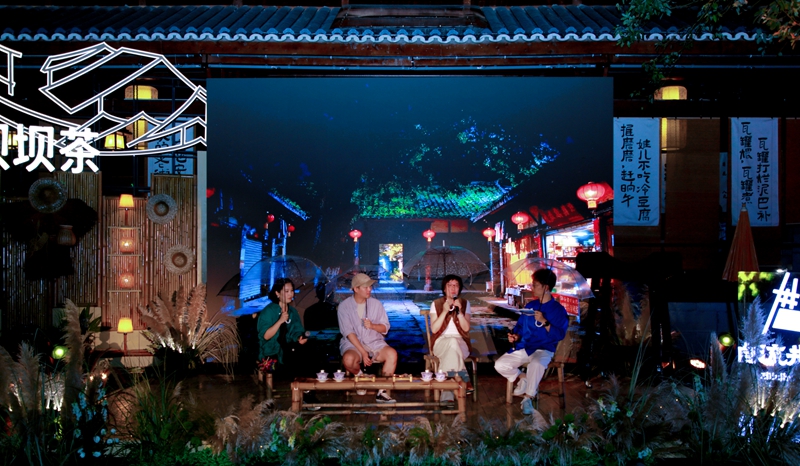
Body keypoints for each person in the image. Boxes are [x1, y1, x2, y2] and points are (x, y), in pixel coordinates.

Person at [494, 269, 569, 415]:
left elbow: (559, 334)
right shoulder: (530, 306)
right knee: (500, 364)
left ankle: (528, 398)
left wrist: (544, 321)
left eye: (535, 285)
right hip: (526, 347)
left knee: (536, 364)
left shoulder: (558, 310)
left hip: (545, 348)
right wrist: (515, 336)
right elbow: (520, 327)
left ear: (546, 287)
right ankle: (523, 378)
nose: (532, 287)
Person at [257, 278, 319, 410]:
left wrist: (299, 338)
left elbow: (296, 330)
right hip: (271, 353)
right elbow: (265, 336)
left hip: (289, 349)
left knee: (309, 350)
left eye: (292, 291)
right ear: (277, 293)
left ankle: (308, 390)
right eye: (286, 291)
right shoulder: (268, 311)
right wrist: (280, 321)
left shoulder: (292, 312)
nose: (291, 294)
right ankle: (305, 392)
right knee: (296, 358)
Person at [337, 273, 397, 403]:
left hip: (374, 342)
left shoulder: (376, 304)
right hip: (353, 344)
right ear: (356, 289)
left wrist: (373, 326)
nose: (369, 289)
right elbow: (348, 332)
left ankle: (382, 391)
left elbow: (385, 328)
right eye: (365, 287)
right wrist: (363, 352)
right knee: (348, 359)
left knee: (392, 354)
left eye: (370, 286)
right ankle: (361, 376)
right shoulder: (344, 306)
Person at [429, 274, 473, 403]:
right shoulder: (436, 303)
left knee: (453, 345)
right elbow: (434, 330)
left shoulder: (465, 303)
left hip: (461, 342)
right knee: (451, 343)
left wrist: (459, 312)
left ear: (459, 289)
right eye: (449, 285)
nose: (453, 288)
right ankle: (463, 378)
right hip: (440, 342)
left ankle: (447, 391)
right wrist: (444, 311)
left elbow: (466, 328)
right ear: (444, 288)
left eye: (456, 285)